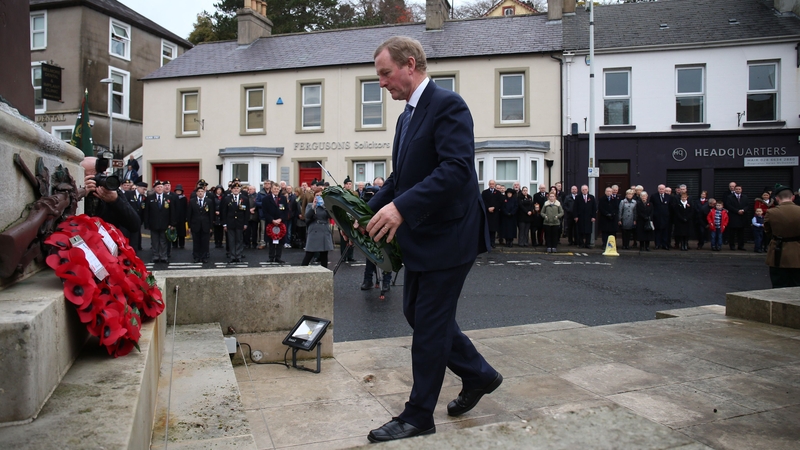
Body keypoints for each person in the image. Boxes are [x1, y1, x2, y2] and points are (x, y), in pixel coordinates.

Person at [364, 36, 500, 443]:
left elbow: (457, 169)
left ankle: (418, 414)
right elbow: (401, 178)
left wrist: (401, 208)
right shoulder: (406, 117)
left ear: (410, 64)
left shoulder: (448, 105)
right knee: (418, 315)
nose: (382, 83)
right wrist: (367, 210)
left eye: (386, 74)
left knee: (429, 326)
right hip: (423, 236)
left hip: (452, 235)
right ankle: (480, 374)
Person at [80, 156, 141, 240]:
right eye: (91, 175)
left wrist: (115, 201)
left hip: (106, 244)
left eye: (101, 174)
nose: (98, 178)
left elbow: (135, 225)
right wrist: (81, 195)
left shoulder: (112, 192)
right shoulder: (74, 191)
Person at [764, 184, 800, 287]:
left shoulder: (771, 212)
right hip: (797, 255)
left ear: (776, 198)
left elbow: (768, 232)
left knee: (778, 287)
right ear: (793, 197)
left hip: (778, 254)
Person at [301, 191, 334, 267]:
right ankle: (301, 271)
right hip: (314, 229)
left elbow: (330, 216)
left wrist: (326, 207)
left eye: (321, 195)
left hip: (324, 230)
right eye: (317, 195)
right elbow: (307, 217)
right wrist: (313, 207)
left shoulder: (326, 206)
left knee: (324, 255)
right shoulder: (310, 205)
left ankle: (324, 273)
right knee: (309, 254)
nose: (319, 197)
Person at [143, 180, 174, 263]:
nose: (160, 188)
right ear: (154, 188)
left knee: (163, 241)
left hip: (165, 224)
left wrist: (172, 223)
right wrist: (146, 224)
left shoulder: (168, 198)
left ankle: (164, 256)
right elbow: (147, 212)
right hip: (153, 224)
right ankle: (155, 256)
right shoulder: (150, 198)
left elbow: (172, 212)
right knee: (154, 242)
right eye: (158, 187)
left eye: (161, 187)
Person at [221, 181, 250, 262]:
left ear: (240, 189)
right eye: (234, 188)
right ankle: (233, 256)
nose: (236, 190)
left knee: (239, 239)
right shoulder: (227, 199)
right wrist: (224, 224)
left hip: (240, 223)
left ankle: (238, 255)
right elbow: (224, 212)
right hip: (230, 223)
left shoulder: (244, 199)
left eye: (237, 188)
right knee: (231, 240)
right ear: (231, 190)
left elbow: (246, 212)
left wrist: (245, 223)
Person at [262, 182, 289, 263]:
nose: (276, 190)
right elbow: (265, 212)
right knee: (271, 241)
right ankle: (271, 257)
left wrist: (280, 219)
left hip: (281, 223)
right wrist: (272, 220)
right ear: (271, 189)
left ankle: (278, 257)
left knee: (280, 241)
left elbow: (286, 210)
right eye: (274, 189)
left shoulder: (283, 198)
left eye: (277, 189)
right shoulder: (266, 199)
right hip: (271, 223)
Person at [187, 186, 213, 263]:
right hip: (195, 225)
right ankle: (196, 257)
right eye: (199, 191)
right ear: (196, 193)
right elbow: (189, 214)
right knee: (196, 242)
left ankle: (204, 257)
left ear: (204, 192)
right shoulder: (192, 201)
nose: (200, 193)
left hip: (205, 225)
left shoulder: (209, 201)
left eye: (202, 191)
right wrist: (189, 226)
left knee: (205, 242)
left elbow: (211, 215)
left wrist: (211, 226)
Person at [725, 185, 749, 251]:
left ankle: (741, 246)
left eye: (739, 189)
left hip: (742, 217)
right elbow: (728, 205)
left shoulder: (745, 197)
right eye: (737, 189)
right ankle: (732, 246)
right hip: (733, 217)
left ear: (741, 190)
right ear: (734, 190)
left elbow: (747, 205)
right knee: (732, 233)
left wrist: (743, 210)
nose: (738, 190)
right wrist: (737, 211)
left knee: (741, 233)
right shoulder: (730, 197)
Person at [481, 180, 502, 247]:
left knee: (493, 229)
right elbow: (483, 201)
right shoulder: (484, 192)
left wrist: (494, 207)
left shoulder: (498, 193)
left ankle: (492, 243)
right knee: (487, 228)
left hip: (495, 214)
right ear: (488, 184)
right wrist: (488, 208)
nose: (491, 185)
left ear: (494, 184)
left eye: (493, 184)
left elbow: (499, 202)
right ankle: (487, 243)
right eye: (490, 184)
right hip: (487, 213)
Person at [652, 184, 672, 250]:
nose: (661, 190)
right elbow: (652, 207)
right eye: (660, 189)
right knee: (657, 232)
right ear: (658, 189)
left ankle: (664, 245)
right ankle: (657, 244)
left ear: (665, 189)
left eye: (662, 189)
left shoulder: (668, 197)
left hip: (666, 218)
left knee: (665, 232)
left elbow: (670, 207)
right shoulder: (654, 196)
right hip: (657, 217)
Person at [171, 184, 188, 249]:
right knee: (174, 231)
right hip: (175, 217)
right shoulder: (173, 198)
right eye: (177, 190)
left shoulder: (184, 198)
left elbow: (186, 208)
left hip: (182, 217)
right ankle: (174, 244)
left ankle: (181, 244)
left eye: (179, 190)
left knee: (182, 232)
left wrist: (186, 217)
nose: (178, 192)